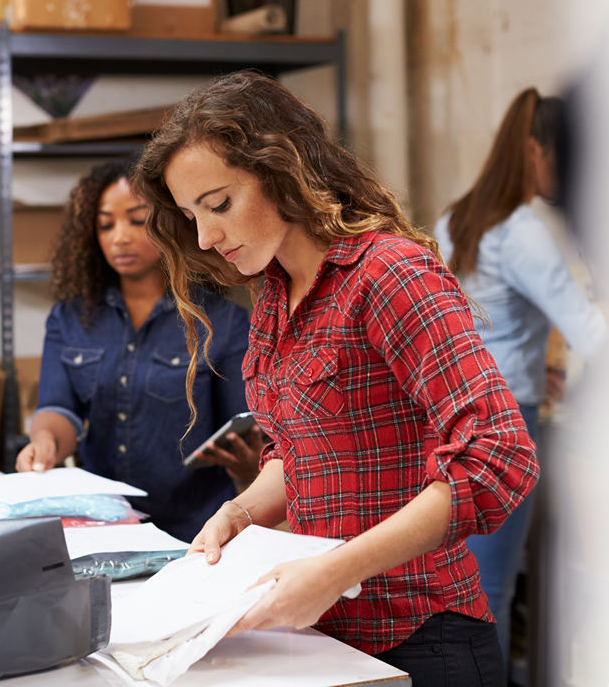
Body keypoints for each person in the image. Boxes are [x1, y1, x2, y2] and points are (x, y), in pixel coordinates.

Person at [132, 70, 539, 685]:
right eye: (192, 216)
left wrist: (334, 571)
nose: (206, 237)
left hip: (424, 638)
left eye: (218, 205)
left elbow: (498, 456)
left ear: (283, 169)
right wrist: (241, 514)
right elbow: (298, 452)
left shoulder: (389, 275)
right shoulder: (274, 293)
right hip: (329, 640)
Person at [434, 88, 606, 668]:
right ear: (536, 150)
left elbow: (470, 329)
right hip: (508, 427)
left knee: (465, 592)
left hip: (451, 422)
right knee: (494, 593)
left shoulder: (456, 219)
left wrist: (538, 366)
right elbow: (594, 337)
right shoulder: (525, 230)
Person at [15, 158, 261, 541]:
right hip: (102, 526)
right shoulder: (70, 319)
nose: (119, 237)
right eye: (106, 224)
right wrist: (44, 442)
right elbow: (58, 408)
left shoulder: (222, 322)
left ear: (169, 221)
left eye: (135, 219)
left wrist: (248, 466)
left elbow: (243, 429)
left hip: (196, 533)